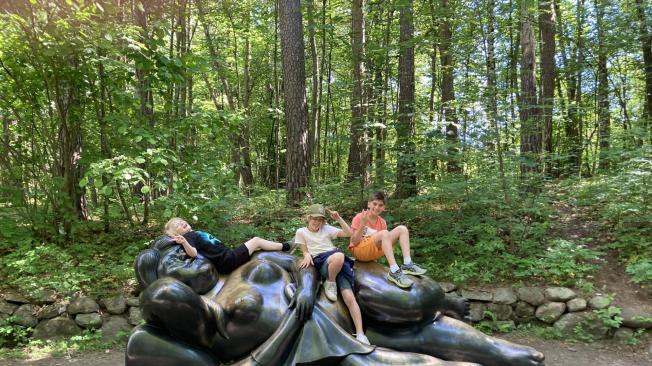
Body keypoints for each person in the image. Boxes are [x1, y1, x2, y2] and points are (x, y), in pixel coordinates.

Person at [295, 204, 370, 345]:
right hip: (322, 261)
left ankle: (360, 334)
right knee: (339, 256)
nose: (316, 222)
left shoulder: (326, 229)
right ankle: (330, 281)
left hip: (337, 262)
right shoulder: (301, 232)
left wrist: (338, 218)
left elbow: (349, 234)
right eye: (314, 219)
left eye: (320, 220)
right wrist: (306, 255)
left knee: (349, 297)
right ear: (308, 218)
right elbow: (304, 249)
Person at [349, 191, 426, 289]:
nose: (377, 207)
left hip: (373, 252)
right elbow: (354, 242)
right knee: (385, 233)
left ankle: (407, 263)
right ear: (369, 203)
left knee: (402, 229)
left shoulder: (382, 222)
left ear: (383, 208)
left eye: (380, 205)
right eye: (375, 204)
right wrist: (362, 224)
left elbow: (384, 243)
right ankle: (394, 270)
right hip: (359, 251)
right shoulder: (360, 217)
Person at [164, 217, 291, 274]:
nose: (181, 223)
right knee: (256, 240)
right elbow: (193, 253)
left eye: (181, 221)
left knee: (256, 247)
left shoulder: (194, 234)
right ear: (176, 233)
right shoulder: (188, 237)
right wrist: (184, 242)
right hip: (227, 260)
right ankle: (285, 246)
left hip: (227, 256)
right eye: (178, 225)